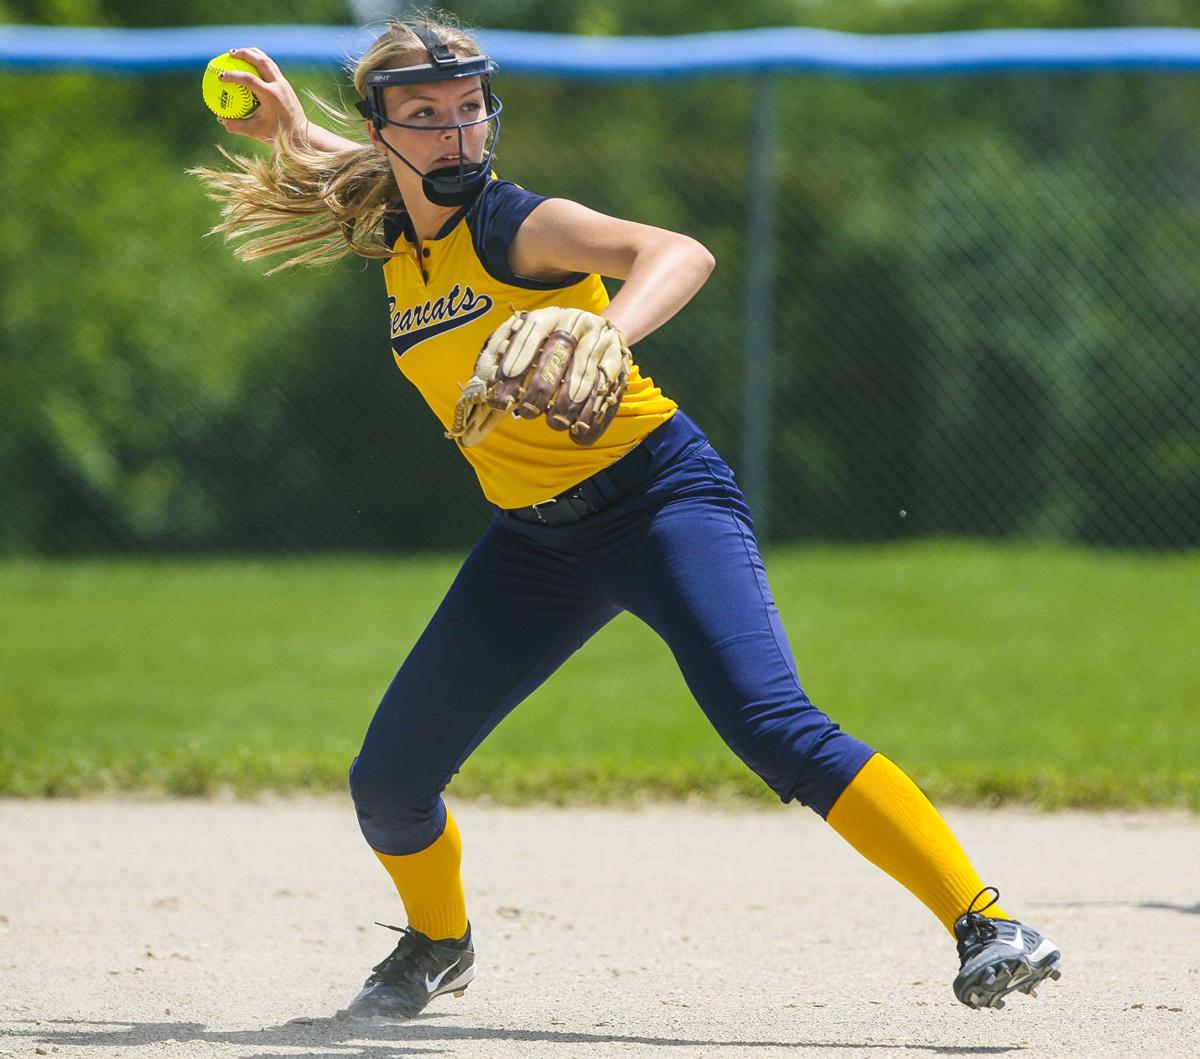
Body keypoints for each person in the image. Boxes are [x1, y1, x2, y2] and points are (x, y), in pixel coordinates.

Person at [194, 13, 1063, 1020]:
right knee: (388, 783)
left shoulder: (516, 224)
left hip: (659, 498)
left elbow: (676, 250)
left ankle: (986, 921)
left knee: (772, 725)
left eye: (472, 109)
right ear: (382, 130)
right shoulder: (396, 221)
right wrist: (292, 126)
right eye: (425, 116)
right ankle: (438, 943)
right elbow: (358, 167)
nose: (457, 135)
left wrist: (604, 331)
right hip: (535, 541)